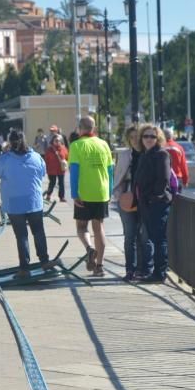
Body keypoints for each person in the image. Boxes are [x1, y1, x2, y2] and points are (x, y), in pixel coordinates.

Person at [0, 129, 51, 278]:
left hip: (14, 203)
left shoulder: (5, 159)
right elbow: (43, 173)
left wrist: (4, 153)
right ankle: (44, 261)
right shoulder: (36, 157)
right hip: (34, 201)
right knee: (38, 231)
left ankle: (24, 268)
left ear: (10, 143)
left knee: (21, 235)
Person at [68, 116, 114, 278]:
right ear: (93, 128)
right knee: (99, 228)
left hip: (84, 192)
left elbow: (74, 171)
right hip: (101, 192)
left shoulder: (76, 145)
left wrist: (74, 194)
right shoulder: (104, 145)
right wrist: (109, 191)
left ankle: (89, 248)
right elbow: (110, 171)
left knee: (81, 227)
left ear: (80, 128)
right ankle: (100, 266)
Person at [133, 124, 174, 283]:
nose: (149, 139)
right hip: (146, 203)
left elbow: (163, 179)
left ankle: (160, 273)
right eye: (146, 136)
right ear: (141, 138)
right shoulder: (145, 154)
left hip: (158, 203)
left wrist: (152, 198)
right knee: (152, 237)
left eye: (152, 136)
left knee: (159, 238)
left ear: (158, 139)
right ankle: (155, 272)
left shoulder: (161, 154)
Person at [111, 125, 149, 282]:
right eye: (131, 137)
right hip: (126, 199)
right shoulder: (125, 155)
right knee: (129, 235)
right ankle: (130, 270)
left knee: (144, 236)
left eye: (137, 137)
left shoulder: (148, 154)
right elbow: (117, 176)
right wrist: (118, 195)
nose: (134, 140)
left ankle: (143, 269)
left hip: (144, 201)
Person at [43, 135, 68, 202]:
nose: (57, 142)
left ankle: (61, 197)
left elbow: (67, 157)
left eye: (58, 140)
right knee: (52, 183)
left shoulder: (63, 148)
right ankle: (48, 195)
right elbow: (46, 159)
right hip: (51, 170)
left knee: (61, 183)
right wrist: (46, 169)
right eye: (56, 140)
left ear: (61, 141)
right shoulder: (49, 149)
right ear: (53, 141)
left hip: (60, 169)